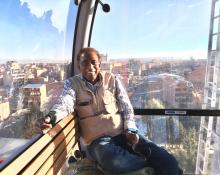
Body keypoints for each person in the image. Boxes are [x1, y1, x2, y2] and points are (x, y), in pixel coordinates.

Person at [36, 47, 182, 175]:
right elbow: (65, 102)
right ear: (79, 66)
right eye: (84, 62)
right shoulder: (73, 84)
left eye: (93, 62)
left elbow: (126, 106)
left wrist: (130, 129)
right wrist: (51, 117)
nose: (90, 66)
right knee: (111, 160)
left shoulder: (112, 79)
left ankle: (158, 166)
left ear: (99, 63)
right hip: (99, 142)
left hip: (124, 134)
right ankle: (149, 167)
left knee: (169, 162)